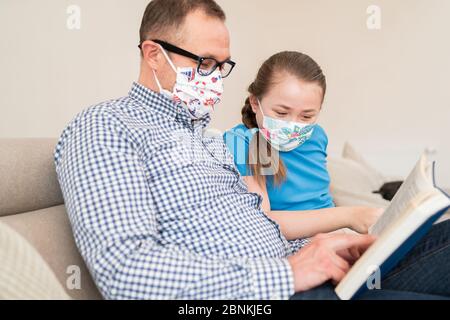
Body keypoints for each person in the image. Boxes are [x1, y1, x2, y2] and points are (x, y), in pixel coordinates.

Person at [54, 0, 450, 300]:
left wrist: (322, 246)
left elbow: (262, 226)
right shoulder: (106, 125)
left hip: (298, 276)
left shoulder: (210, 141)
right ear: (153, 54)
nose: (215, 79)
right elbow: (126, 272)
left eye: (222, 65)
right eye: (204, 62)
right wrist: (289, 274)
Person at [224, 51, 383, 239]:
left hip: (338, 235)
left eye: (306, 116)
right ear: (255, 103)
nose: (293, 125)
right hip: (301, 246)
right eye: (282, 113)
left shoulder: (317, 136)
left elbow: (319, 198)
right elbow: (262, 222)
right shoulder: (245, 141)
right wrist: (350, 216)